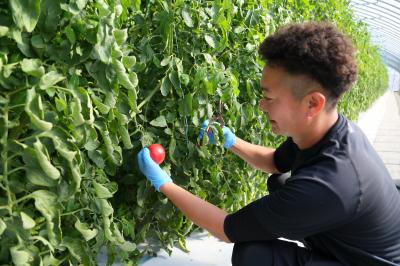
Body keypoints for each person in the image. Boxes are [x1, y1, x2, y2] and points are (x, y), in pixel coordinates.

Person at [137, 21, 400, 266]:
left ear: (313, 103)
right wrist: (230, 141)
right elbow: (275, 162)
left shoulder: (329, 183)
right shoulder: (329, 132)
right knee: (280, 182)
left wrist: (164, 183)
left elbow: (226, 228)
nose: (262, 106)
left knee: (253, 256)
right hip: (348, 241)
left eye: (269, 98)